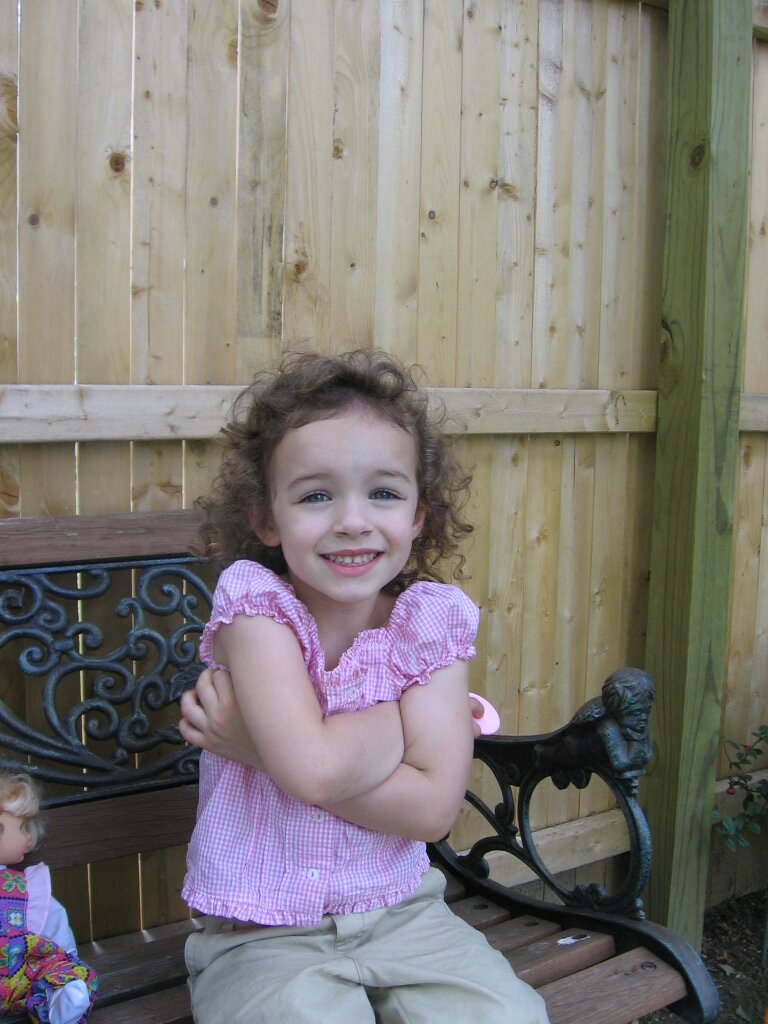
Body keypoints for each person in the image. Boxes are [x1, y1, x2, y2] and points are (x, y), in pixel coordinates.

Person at [179, 349, 549, 1024]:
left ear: (417, 515)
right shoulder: (255, 609)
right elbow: (315, 771)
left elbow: (431, 812)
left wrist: (257, 749)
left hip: (404, 916)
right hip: (260, 932)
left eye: (383, 493)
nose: (352, 520)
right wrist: (406, 725)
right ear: (267, 519)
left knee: (510, 1017)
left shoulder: (430, 622)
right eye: (316, 496)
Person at [0, 772, 97, 1024]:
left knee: (58, 971)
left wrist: (65, 960)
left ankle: (62, 1001)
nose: (29, 837)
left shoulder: (26, 889)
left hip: (22, 980)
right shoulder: (25, 889)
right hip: (19, 981)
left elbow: (56, 931)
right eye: (23, 828)